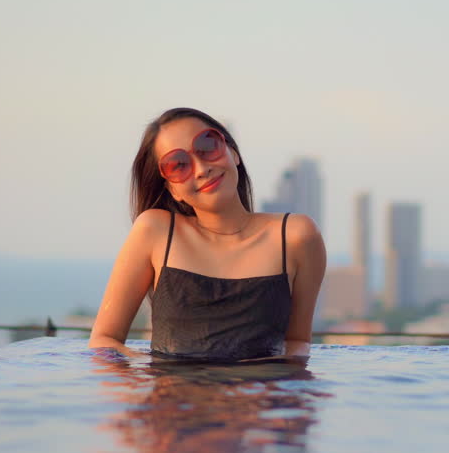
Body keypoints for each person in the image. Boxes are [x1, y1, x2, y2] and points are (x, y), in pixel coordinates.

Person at [89, 108, 326, 361]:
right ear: (172, 189)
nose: (201, 169)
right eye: (178, 165)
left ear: (232, 152)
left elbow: (298, 343)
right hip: (172, 398)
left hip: (259, 397)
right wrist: (151, 376)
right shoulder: (155, 231)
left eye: (207, 146)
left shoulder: (297, 237)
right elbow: (105, 340)